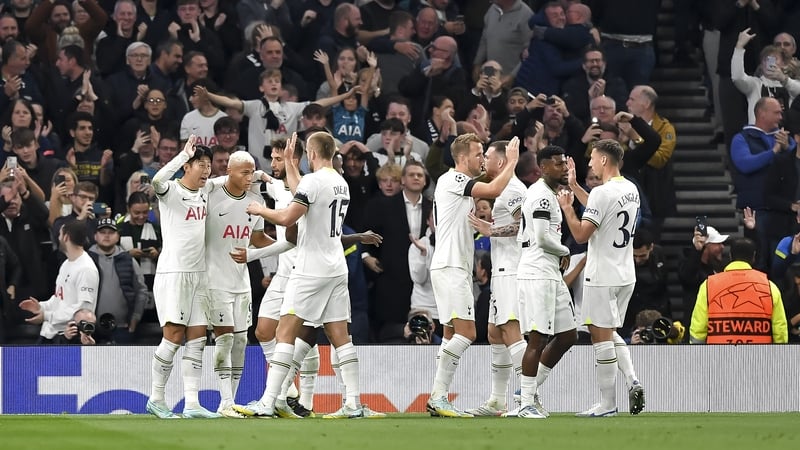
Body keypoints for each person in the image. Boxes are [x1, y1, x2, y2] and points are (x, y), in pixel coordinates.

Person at [240, 131, 385, 419]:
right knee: (341, 337)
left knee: (284, 332)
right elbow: (302, 193)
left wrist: (260, 209)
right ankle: (353, 403)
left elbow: (286, 218)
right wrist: (293, 167)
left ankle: (268, 402)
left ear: (313, 154)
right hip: (336, 269)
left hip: (310, 270)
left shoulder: (314, 181)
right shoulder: (339, 182)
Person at [425, 134, 519, 418]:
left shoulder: (453, 186)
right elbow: (492, 189)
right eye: (479, 153)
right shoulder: (453, 179)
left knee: (451, 334)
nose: (481, 159)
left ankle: (438, 397)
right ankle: (438, 396)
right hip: (451, 267)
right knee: (468, 332)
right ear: (463, 157)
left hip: (449, 266)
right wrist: (511, 161)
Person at [557, 139, 645, 417]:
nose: (591, 163)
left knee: (600, 336)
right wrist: (575, 187)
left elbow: (582, 235)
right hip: (625, 273)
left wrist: (568, 209)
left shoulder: (601, 193)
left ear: (604, 160)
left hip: (602, 273)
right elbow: (602, 210)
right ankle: (632, 380)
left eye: (593, 159)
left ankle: (607, 404)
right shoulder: (630, 188)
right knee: (609, 331)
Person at [145, 136, 220, 419]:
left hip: (199, 275)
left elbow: (225, 181)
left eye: (208, 165)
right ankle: (156, 398)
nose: (206, 170)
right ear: (187, 166)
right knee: (173, 336)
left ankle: (191, 403)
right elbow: (156, 182)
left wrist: (258, 175)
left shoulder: (206, 190)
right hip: (173, 273)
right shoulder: (172, 191)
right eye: (200, 164)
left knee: (198, 337)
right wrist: (180, 155)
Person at [462, 140, 528, 417]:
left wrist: (492, 231)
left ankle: (530, 397)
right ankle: (497, 401)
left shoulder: (513, 189)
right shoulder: (504, 190)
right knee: (494, 333)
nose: (484, 161)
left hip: (512, 270)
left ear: (500, 162)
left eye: (487, 157)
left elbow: (524, 224)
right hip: (501, 270)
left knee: (510, 329)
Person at [511, 145, 577, 419]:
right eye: (559, 164)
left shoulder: (549, 194)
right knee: (537, 339)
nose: (564, 168)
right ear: (543, 167)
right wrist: (565, 251)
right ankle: (526, 403)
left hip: (550, 271)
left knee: (568, 335)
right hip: (537, 271)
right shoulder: (541, 195)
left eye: (565, 163)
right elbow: (541, 237)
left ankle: (528, 390)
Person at [204, 150, 271, 418]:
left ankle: (231, 401)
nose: (249, 176)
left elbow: (257, 239)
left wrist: (290, 245)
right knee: (225, 339)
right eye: (244, 171)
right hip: (214, 280)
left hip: (241, 282)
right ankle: (225, 401)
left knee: (241, 340)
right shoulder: (212, 192)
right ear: (229, 170)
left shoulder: (256, 200)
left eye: (252, 170)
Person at [690, 237, 788, 344]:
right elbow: (780, 330)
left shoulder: (708, 285)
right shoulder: (770, 287)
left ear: (730, 255)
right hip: (759, 358)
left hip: (718, 357)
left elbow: (698, 329)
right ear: (754, 256)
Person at [19, 220, 99, 344]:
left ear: (66, 237)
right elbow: (59, 298)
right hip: (50, 332)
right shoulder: (66, 264)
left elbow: (82, 310)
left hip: (70, 337)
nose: (58, 237)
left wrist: (46, 315)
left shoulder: (86, 269)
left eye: (60, 234)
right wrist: (41, 307)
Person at [88, 217, 148, 344]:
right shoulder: (86, 260)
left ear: (117, 236)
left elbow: (141, 290)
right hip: (92, 329)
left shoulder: (128, 260)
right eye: (102, 232)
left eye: (111, 232)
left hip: (123, 328)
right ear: (95, 236)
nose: (107, 236)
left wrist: (135, 318)